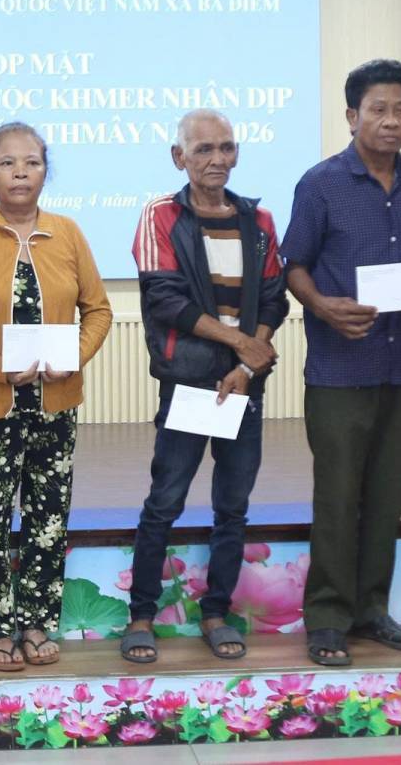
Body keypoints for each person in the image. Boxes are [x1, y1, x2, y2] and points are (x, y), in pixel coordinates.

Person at [284, 58, 401, 668]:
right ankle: (327, 618)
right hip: (339, 368)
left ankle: (372, 609)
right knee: (337, 496)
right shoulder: (321, 184)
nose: (392, 121)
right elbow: (293, 265)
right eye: (379, 110)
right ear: (352, 115)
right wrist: (323, 306)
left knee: (387, 495)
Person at [0, 122, 111, 671]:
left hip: (55, 402)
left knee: (48, 516)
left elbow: (98, 310)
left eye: (32, 162)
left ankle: (36, 622)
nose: (20, 173)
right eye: (6, 163)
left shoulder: (68, 233)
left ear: (45, 172)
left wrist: (74, 355)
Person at [118, 110, 288, 666]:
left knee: (232, 508)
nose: (218, 159)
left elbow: (274, 299)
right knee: (164, 503)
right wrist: (242, 345)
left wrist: (247, 366)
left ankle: (215, 613)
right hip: (190, 384)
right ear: (179, 157)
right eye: (204, 149)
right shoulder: (161, 215)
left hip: (243, 386)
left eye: (227, 147)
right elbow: (164, 299)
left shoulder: (259, 219)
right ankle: (141, 616)